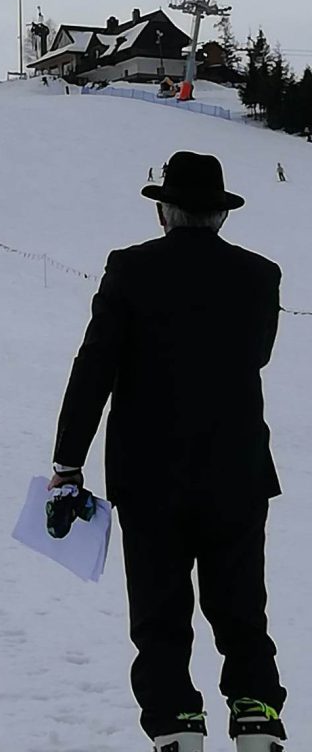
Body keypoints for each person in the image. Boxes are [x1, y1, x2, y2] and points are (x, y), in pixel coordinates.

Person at [49, 151, 287, 752]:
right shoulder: (261, 276)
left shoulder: (130, 270)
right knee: (242, 612)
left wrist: (68, 462)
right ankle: (257, 724)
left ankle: (177, 729)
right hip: (237, 472)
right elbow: (257, 355)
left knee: (160, 618)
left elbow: (95, 366)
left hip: (149, 476)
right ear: (220, 215)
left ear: (164, 211)